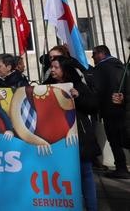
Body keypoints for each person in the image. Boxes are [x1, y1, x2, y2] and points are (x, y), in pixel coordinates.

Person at [46, 56, 100, 211]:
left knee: (85, 174)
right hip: (57, 138)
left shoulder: (77, 85)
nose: (53, 70)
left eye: (56, 67)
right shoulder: (46, 86)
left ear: (65, 69)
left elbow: (93, 107)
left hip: (79, 137)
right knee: (61, 175)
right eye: (52, 67)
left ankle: (91, 207)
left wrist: (79, 97)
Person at [91, 45, 129, 179]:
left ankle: (121, 167)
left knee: (115, 140)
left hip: (109, 110)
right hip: (124, 110)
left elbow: (96, 91)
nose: (92, 57)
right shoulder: (121, 66)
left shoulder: (101, 69)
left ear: (101, 53)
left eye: (94, 54)